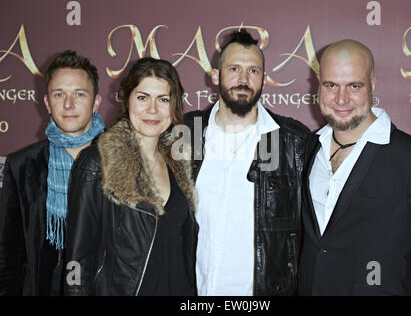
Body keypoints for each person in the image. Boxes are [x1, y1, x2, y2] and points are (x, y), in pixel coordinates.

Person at [299, 39, 411, 295]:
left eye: (354, 86)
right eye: (331, 85)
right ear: (318, 84)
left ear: (372, 84)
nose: (341, 98)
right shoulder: (308, 148)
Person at [184, 29, 310, 295]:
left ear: (264, 80)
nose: (243, 80)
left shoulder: (291, 141)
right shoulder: (186, 132)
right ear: (215, 75)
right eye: (234, 69)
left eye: (253, 71)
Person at [63, 57, 198, 296]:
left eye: (163, 99)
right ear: (127, 100)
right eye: (142, 97)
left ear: (174, 105)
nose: (152, 110)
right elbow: (77, 260)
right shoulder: (97, 163)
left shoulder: (179, 164)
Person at [0, 50, 104, 295]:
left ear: (96, 101)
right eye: (59, 94)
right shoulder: (21, 165)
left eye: (79, 94)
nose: (68, 104)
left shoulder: (122, 158)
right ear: (47, 102)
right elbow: (8, 253)